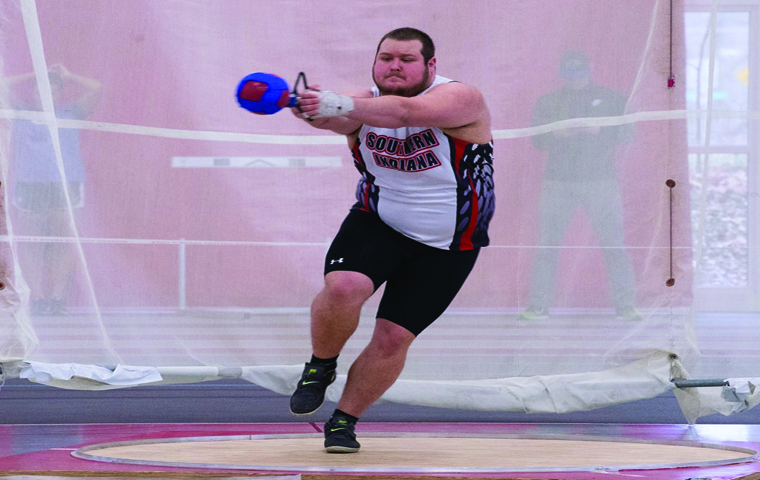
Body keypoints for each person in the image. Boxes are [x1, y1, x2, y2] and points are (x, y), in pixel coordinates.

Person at [287, 27, 495, 453]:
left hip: (450, 240)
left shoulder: (461, 98)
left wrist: (337, 104)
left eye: (406, 59)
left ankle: (344, 421)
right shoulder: (359, 98)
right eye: (386, 58)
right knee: (344, 286)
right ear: (374, 62)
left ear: (430, 66)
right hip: (378, 219)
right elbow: (336, 118)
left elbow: (401, 114)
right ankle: (320, 366)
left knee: (392, 338)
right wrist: (304, 107)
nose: (394, 66)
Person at [519, 51, 639, 322]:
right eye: (569, 73)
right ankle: (538, 306)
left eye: (580, 72)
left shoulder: (613, 99)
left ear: (590, 69)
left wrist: (600, 131)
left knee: (614, 245)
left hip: (601, 181)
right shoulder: (549, 102)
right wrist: (555, 133)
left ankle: (626, 306)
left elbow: (628, 134)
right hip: (558, 181)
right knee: (547, 245)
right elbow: (536, 140)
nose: (575, 79)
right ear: (561, 74)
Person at [5, 64, 102, 316]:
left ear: (60, 94)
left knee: (64, 240)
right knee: (31, 243)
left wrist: (69, 75)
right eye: (40, 90)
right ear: (33, 92)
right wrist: (32, 73)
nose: (46, 95)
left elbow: (97, 88)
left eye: (52, 91)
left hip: (66, 183)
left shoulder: (71, 112)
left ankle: (57, 298)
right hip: (29, 184)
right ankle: (37, 297)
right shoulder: (22, 111)